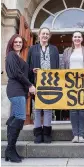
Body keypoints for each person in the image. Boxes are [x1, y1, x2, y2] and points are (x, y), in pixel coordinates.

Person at [5, 34, 36, 163]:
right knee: (20, 117)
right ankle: (10, 150)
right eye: (16, 42)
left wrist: (32, 71)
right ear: (12, 43)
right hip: (15, 90)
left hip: (19, 91)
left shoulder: (18, 57)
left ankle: (10, 151)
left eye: (20, 42)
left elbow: (23, 72)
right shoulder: (11, 55)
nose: (18, 44)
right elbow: (17, 74)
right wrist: (30, 85)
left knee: (14, 118)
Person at [27, 27, 59, 144]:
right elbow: (28, 66)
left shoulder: (54, 49)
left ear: (49, 36)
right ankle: (37, 134)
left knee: (48, 108)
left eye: (47, 34)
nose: (45, 36)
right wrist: (30, 82)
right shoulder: (32, 49)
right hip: (36, 83)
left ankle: (46, 133)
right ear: (39, 35)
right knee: (37, 108)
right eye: (43, 33)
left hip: (50, 83)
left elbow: (57, 67)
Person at [61, 31, 84, 143]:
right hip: (70, 83)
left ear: (82, 39)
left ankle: (81, 134)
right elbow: (62, 68)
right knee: (73, 109)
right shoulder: (66, 51)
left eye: (79, 37)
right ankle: (75, 135)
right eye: (75, 37)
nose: (77, 38)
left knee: (83, 109)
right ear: (72, 39)